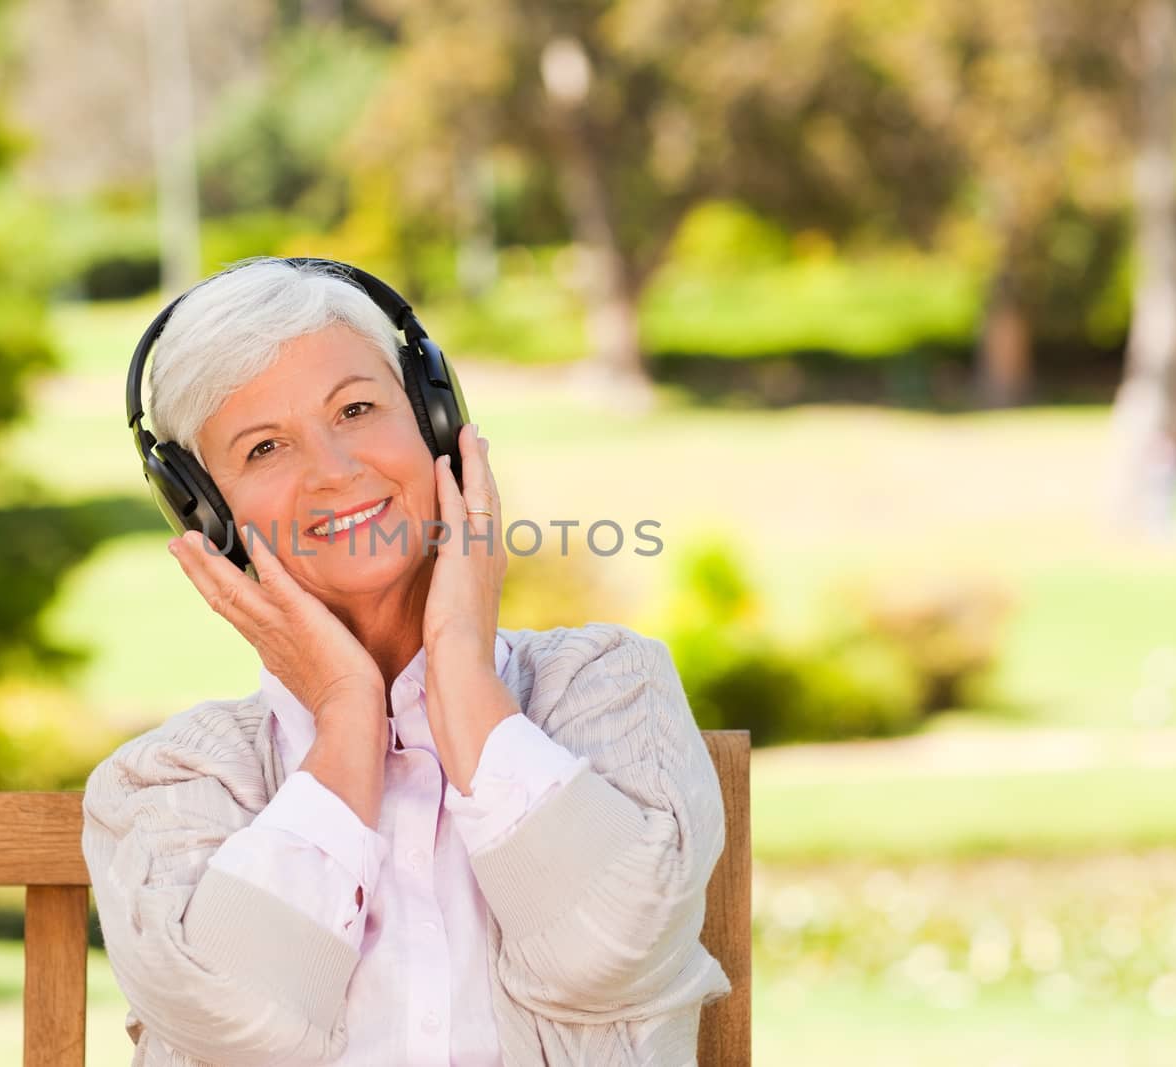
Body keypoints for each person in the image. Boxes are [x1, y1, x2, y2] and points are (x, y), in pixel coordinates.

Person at [81, 257, 730, 1066]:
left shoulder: (610, 689)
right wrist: (349, 708)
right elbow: (242, 1025)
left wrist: (457, 660)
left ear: (434, 421)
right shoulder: (164, 787)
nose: (333, 470)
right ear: (207, 514)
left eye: (356, 407)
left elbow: (609, 948)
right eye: (264, 448)